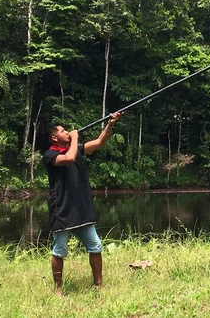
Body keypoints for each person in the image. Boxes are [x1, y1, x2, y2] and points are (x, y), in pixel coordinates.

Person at [43, 112, 123, 296]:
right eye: (63, 131)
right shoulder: (50, 155)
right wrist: (75, 137)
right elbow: (69, 159)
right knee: (59, 251)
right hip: (61, 209)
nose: (68, 132)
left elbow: (99, 143)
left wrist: (110, 124)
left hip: (82, 208)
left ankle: (98, 285)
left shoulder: (75, 148)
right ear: (55, 137)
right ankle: (58, 290)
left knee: (95, 246)